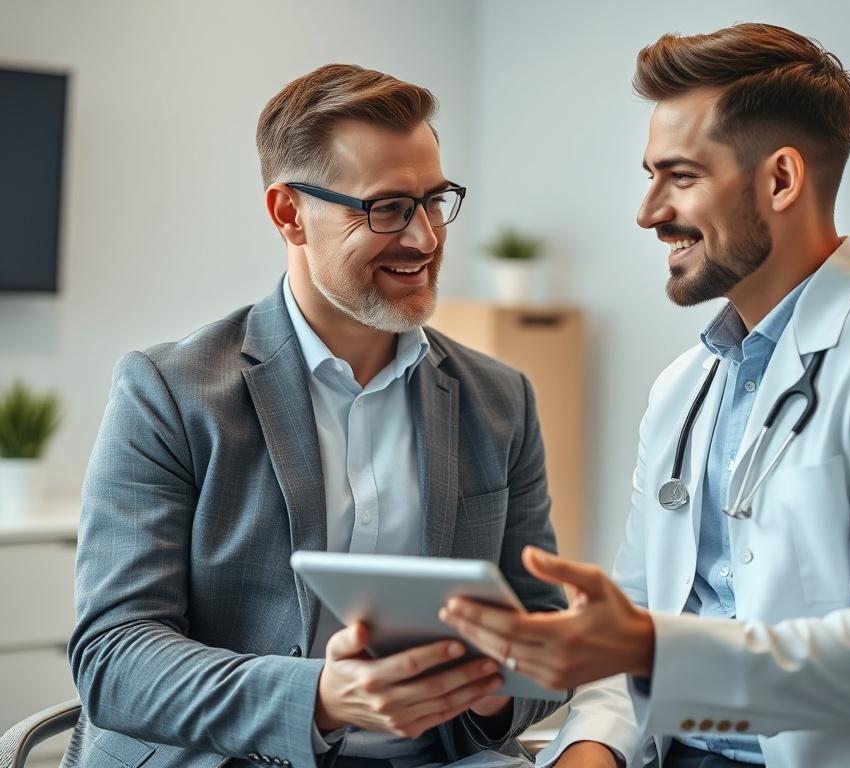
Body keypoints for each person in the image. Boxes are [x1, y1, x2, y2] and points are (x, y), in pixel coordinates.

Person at [440, 23, 850, 768]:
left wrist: (648, 645)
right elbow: (635, 628)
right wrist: (588, 751)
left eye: (680, 177)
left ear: (780, 180)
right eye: (650, 176)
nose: (648, 212)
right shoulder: (684, 388)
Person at [64, 64, 566, 768]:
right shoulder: (168, 391)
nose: (424, 238)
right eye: (387, 207)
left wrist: (494, 689)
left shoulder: (498, 398)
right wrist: (322, 697)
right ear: (288, 213)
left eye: (434, 200)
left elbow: (544, 623)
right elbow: (114, 656)